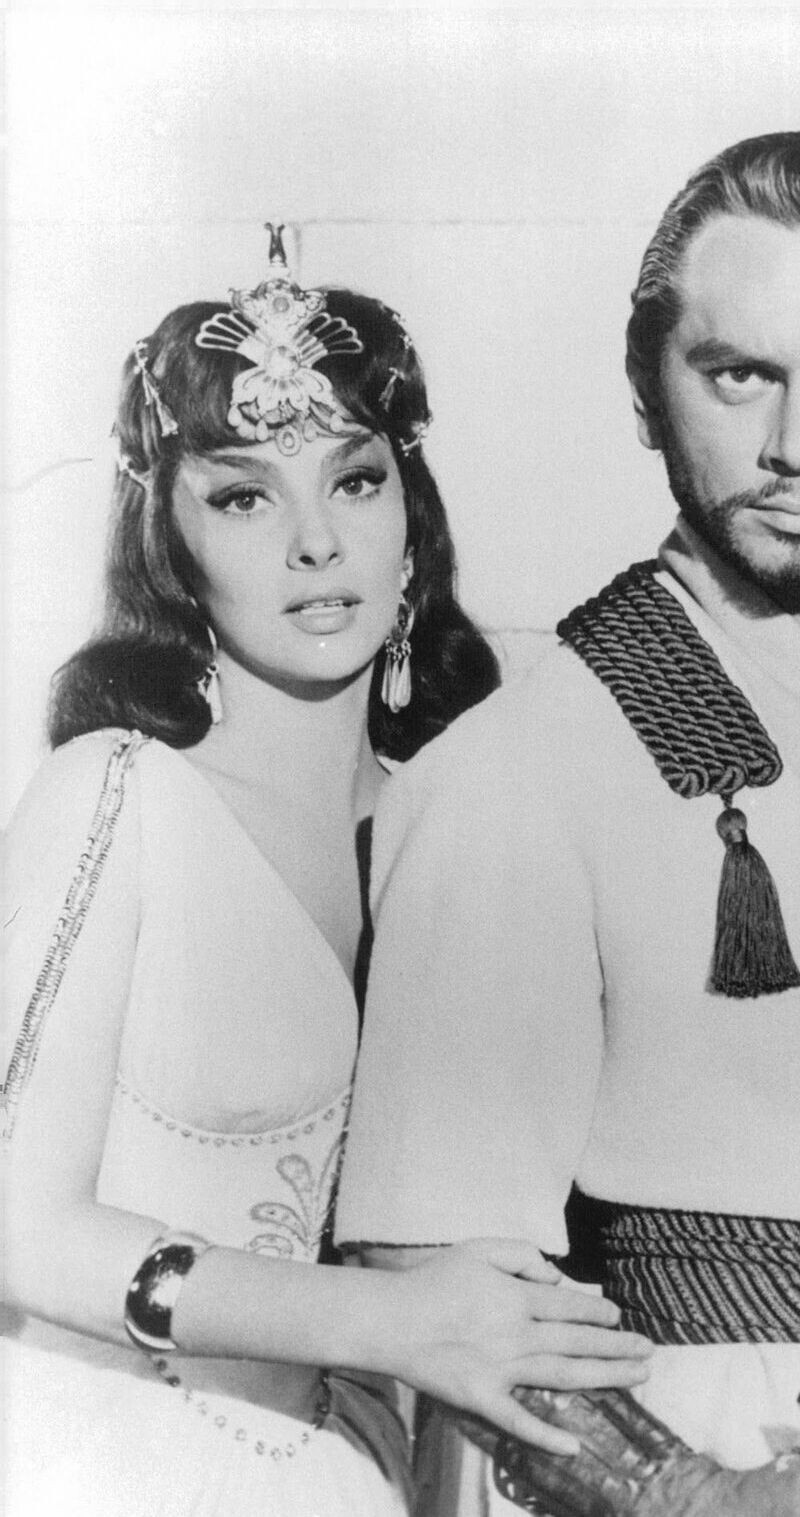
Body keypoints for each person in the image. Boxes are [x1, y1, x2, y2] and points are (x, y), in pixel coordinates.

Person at [334, 134, 800, 1515]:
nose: (798, 445)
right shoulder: (515, 772)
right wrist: (690, 1492)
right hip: (715, 1452)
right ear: (643, 382)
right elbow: (423, 1290)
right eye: (740, 374)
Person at [0, 230, 652, 1517]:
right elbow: (14, 1223)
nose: (314, 541)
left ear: (412, 518)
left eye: (353, 481)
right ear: (168, 543)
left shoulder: (475, 811)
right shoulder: (119, 794)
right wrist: (392, 1321)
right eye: (243, 497)